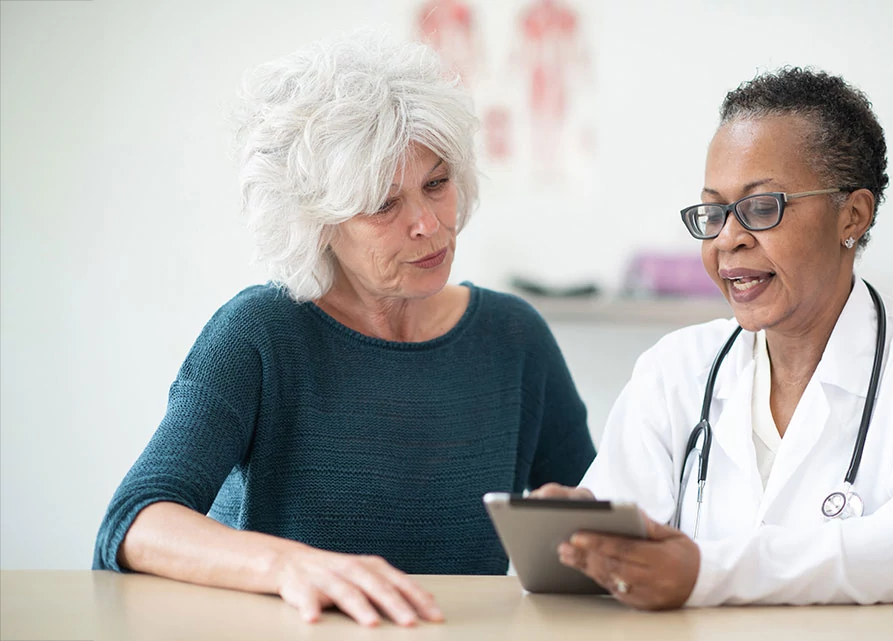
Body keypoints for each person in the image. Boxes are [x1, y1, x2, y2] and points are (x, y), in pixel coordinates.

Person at [92, 33, 596, 627]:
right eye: (384, 205)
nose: (429, 224)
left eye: (436, 183)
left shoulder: (515, 337)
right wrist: (287, 567)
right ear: (316, 222)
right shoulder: (259, 334)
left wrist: (584, 525)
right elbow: (134, 523)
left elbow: (590, 521)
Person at [534, 67, 893, 610]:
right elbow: (622, 537)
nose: (728, 239)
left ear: (851, 215)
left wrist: (711, 571)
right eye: (714, 212)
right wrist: (581, 538)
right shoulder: (676, 367)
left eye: (763, 208)